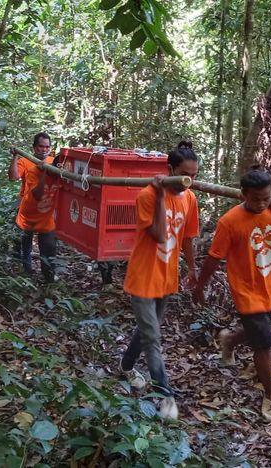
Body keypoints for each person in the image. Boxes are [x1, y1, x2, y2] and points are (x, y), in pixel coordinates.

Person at [192, 167, 271, 422]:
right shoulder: (229, 221)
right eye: (256, 198)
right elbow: (213, 257)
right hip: (246, 291)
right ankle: (270, 395)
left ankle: (229, 340)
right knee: (264, 344)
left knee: (260, 333)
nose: (262, 203)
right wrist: (199, 286)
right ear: (243, 195)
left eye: (267, 197)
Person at [118, 141, 200, 420]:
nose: (189, 181)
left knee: (146, 331)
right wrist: (162, 197)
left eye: (194, 175)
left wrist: (192, 268)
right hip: (143, 276)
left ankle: (126, 366)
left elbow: (187, 236)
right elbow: (160, 235)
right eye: (184, 174)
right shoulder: (146, 196)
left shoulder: (189, 198)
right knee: (153, 338)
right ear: (170, 170)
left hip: (167, 276)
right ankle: (165, 398)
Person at [8, 132, 59, 282]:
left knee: (48, 247)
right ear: (34, 147)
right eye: (40, 146)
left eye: (47, 147)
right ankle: (26, 277)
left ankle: (48, 279)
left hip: (47, 212)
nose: (44, 150)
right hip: (27, 210)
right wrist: (15, 157)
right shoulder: (26, 161)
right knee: (25, 248)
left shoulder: (53, 162)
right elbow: (13, 177)